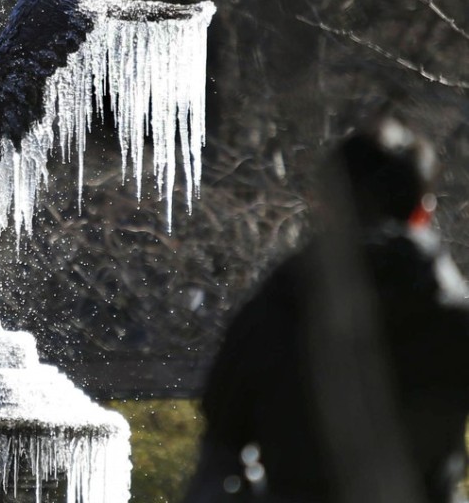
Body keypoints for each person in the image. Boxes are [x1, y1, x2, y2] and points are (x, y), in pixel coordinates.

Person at [183, 117, 469, 503]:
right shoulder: (452, 315)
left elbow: (223, 435)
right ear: (423, 211)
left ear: (326, 207)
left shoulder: (278, 305)